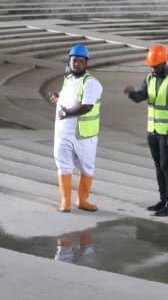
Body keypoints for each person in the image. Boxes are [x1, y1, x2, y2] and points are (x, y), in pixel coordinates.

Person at [123, 44, 168, 217]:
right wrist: (131, 94)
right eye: (151, 65)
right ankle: (163, 200)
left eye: (156, 66)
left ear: (164, 62)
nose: (153, 68)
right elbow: (141, 97)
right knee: (159, 166)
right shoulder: (149, 78)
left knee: (167, 166)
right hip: (152, 131)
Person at [47, 44, 102, 212]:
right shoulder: (68, 80)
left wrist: (67, 112)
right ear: (69, 62)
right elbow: (68, 100)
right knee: (63, 165)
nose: (76, 64)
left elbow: (87, 106)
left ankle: (82, 200)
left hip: (83, 135)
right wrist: (59, 99)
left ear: (86, 63)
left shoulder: (91, 83)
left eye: (80, 61)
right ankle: (65, 202)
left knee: (87, 167)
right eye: (73, 61)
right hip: (63, 132)